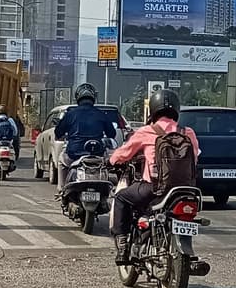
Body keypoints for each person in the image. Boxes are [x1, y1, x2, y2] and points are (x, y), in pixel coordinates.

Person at [108, 88, 200, 266]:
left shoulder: (146, 131)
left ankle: (123, 246)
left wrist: (111, 160)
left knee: (121, 198)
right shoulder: (188, 132)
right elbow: (195, 157)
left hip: (155, 188)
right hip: (185, 190)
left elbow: (123, 154)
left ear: (153, 110)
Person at [53, 83, 116, 190]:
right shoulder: (101, 114)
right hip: (97, 154)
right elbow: (112, 134)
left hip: (73, 155)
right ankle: (108, 190)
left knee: (61, 160)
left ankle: (62, 190)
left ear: (78, 97)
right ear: (93, 98)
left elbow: (58, 132)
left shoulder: (70, 114)